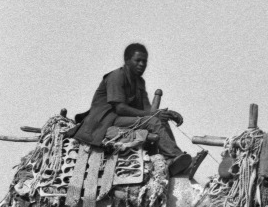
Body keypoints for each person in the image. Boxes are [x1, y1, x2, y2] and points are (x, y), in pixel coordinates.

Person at [72, 43, 192, 176]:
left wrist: (166, 114)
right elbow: (120, 108)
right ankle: (173, 156)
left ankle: (172, 159)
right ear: (127, 60)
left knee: (160, 120)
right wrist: (154, 115)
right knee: (153, 122)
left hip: (120, 118)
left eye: (144, 61)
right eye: (138, 60)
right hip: (104, 121)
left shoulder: (139, 82)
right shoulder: (116, 76)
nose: (142, 64)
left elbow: (147, 109)